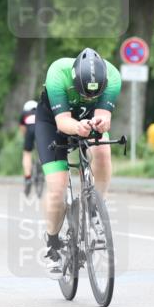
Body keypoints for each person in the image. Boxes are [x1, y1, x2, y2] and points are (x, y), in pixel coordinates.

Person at [35, 48, 121, 274]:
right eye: (84, 93)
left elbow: (104, 116)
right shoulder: (57, 74)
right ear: (74, 80)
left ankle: (95, 207)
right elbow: (63, 122)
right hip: (53, 124)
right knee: (57, 187)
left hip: (87, 121)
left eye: (95, 94)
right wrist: (78, 127)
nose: (90, 98)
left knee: (102, 151)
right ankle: (52, 243)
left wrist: (100, 123)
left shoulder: (112, 77)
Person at [19, 99, 38, 195]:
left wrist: (26, 138)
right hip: (41, 131)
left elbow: (23, 129)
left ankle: (28, 177)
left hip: (29, 132)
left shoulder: (24, 113)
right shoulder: (40, 111)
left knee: (27, 154)